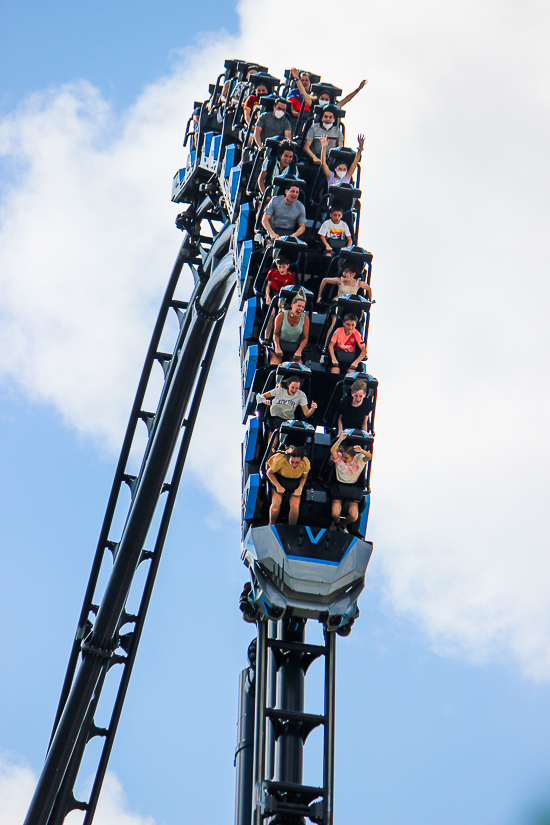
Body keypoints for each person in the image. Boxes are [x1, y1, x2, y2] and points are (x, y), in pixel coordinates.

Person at [318, 263, 372, 349]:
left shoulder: (358, 283)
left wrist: (368, 301)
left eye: (346, 272)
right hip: (337, 305)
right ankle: (325, 347)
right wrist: (319, 297)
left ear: (353, 274)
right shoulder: (340, 281)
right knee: (334, 321)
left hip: (349, 308)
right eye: (343, 271)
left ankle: (356, 348)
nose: (343, 273)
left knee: (359, 321)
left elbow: (368, 288)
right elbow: (324, 280)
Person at [329, 433, 372, 531]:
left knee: (353, 516)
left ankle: (342, 525)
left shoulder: (359, 460)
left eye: (346, 458)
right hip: (339, 486)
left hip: (352, 487)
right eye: (343, 456)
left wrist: (361, 450)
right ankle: (335, 523)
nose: (343, 459)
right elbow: (332, 451)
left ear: (353, 457)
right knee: (335, 513)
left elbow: (369, 457)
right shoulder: (340, 459)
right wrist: (339, 440)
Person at [266, 446, 311, 525]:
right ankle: (271, 524)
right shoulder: (280, 460)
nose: (294, 465)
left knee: (295, 506)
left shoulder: (305, 463)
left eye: (297, 462)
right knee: (276, 504)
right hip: (280, 481)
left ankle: (291, 528)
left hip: (295, 484)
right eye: (292, 462)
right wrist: (277, 485)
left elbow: (304, 477)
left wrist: (300, 488)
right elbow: (269, 473)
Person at [289, 68, 368, 110]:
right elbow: (303, 93)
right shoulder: (314, 105)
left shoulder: (333, 107)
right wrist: (296, 78)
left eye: (326, 99)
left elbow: (346, 100)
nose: (324, 100)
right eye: (322, 98)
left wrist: (358, 89)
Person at [270, 291, 310, 365]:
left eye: (302, 307)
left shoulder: (305, 318)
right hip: (280, 345)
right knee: (275, 364)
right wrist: (277, 347)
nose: (300, 309)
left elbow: (305, 338)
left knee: (297, 367)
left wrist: (299, 350)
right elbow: (276, 334)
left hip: (294, 348)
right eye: (298, 306)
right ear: (292, 305)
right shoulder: (281, 316)